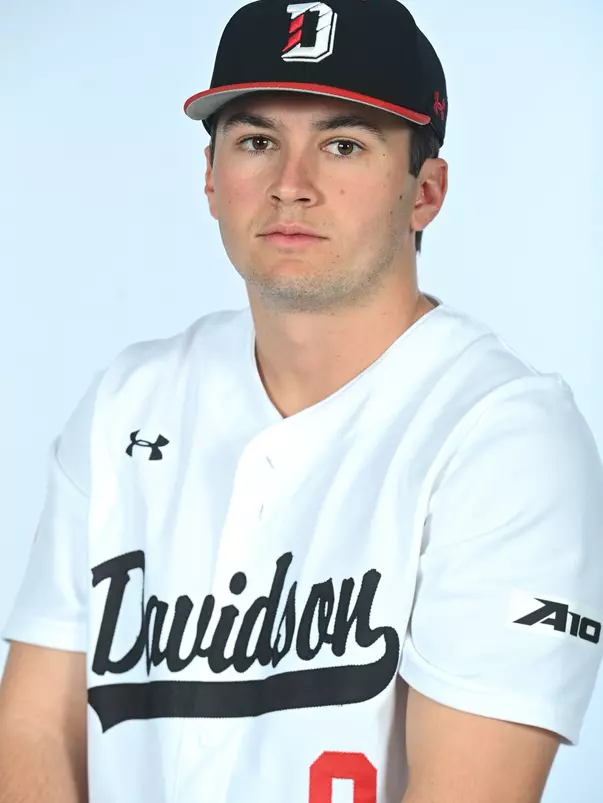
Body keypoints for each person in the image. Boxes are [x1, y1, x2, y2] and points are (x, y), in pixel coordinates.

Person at [1, 1, 602, 801]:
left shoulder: (503, 435)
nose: (291, 185)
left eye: (342, 145)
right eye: (257, 142)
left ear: (424, 191)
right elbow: (33, 727)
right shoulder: (127, 401)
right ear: (210, 178)